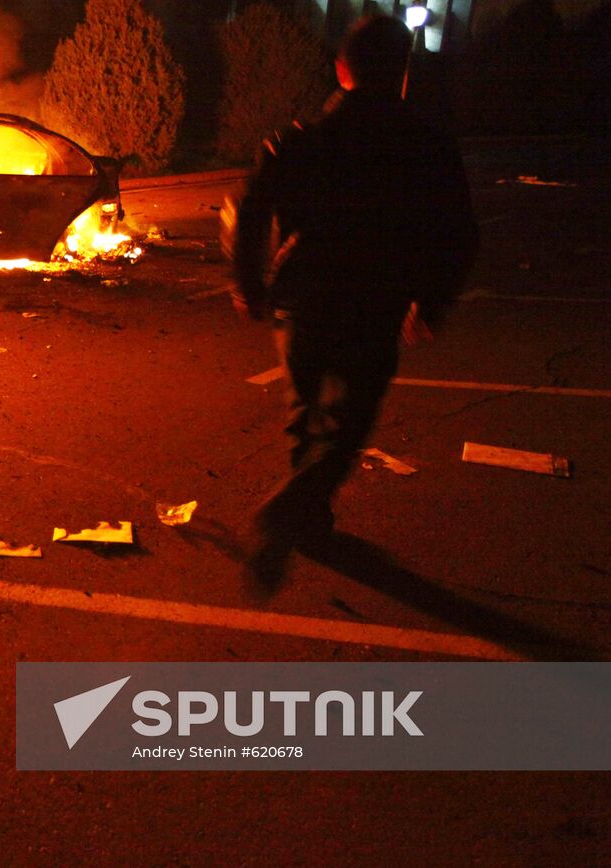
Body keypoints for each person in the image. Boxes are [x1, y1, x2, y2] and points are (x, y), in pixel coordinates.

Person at [231, 14, 478, 595]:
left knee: (305, 411)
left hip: (302, 300)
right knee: (345, 426)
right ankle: (292, 513)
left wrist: (250, 284)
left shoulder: (302, 140)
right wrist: (431, 302)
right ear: (401, 75)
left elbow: (250, 205)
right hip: (374, 299)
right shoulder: (426, 147)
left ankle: (307, 520)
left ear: (342, 70)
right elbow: (459, 231)